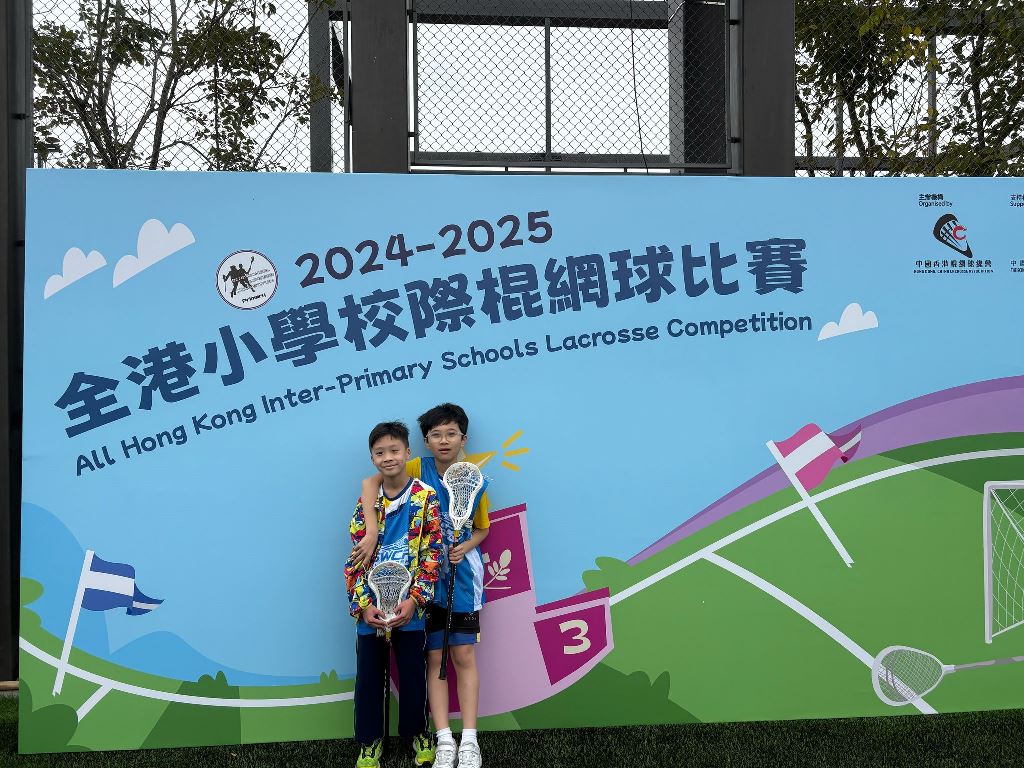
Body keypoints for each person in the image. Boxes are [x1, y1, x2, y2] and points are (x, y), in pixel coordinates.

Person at [351, 403, 491, 768]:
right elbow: (371, 483)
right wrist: (371, 531)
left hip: (449, 586)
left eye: (451, 434)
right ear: (425, 442)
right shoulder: (410, 471)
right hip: (403, 595)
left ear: (463, 438)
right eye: (435, 434)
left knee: (452, 659)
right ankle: (429, 739)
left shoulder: (466, 480)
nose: (444, 441)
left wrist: (465, 548)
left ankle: (459, 740)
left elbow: (478, 529)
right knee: (420, 663)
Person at [344, 421, 442, 768]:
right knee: (369, 679)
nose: (388, 457)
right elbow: (356, 557)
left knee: (414, 675)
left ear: (407, 453)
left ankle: (418, 733)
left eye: (394, 450)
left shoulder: (425, 498)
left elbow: (432, 554)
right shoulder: (366, 502)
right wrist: (363, 606)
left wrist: (415, 600)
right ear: (372, 458)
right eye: (380, 452)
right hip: (371, 611)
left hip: (409, 609)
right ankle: (369, 741)